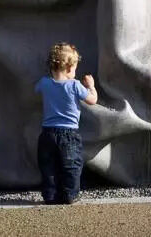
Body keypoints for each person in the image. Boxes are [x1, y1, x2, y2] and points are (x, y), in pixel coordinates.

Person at [35, 42, 98, 204]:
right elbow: (92, 100)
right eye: (75, 68)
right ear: (69, 68)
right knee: (71, 165)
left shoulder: (44, 83)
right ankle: (69, 194)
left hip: (47, 133)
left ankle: (50, 195)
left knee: (48, 166)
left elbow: (37, 89)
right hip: (69, 134)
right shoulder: (75, 85)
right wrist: (91, 86)